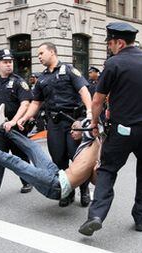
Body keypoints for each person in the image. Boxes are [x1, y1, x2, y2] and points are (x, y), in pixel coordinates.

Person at [78, 22, 142, 236]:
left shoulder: (114, 63)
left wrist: (94, 123)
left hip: (122, 129)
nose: (109, 47)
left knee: (107, 170)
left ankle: (96, 215)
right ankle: (141, 218)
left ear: (120, 42)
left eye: (111, 43)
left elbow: (97, 100)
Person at [0, 106, 101, 202]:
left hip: (55, 186)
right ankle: (3, 128)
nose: (71, 132)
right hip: (57, 174)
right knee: (33, 147)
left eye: (74, 128)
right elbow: (94, 180)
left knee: (11, 160)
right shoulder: (92, 145)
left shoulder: (92, 137)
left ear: (88, 130)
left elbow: (93, 122)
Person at [17, 42, 92, 207]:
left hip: (73, 122)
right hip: (54, 124)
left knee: (78, 159)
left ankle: (84, 190)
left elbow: (84, 91)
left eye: (41, 53)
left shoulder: (69, 70)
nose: (39, 57)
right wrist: (24, 117)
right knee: (59, 160)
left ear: (52, 52)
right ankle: (68, 191)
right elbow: (36, 103)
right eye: (38, 54)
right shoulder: (42, 78)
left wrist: (90, 113)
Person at [0, 49, 34, 202]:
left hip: (15, 128)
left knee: (20, 157)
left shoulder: (19, 82)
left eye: (10, 62)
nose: (9, 65)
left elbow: (25, 104)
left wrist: (14, 121)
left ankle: (27, 181)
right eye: (5, 62)